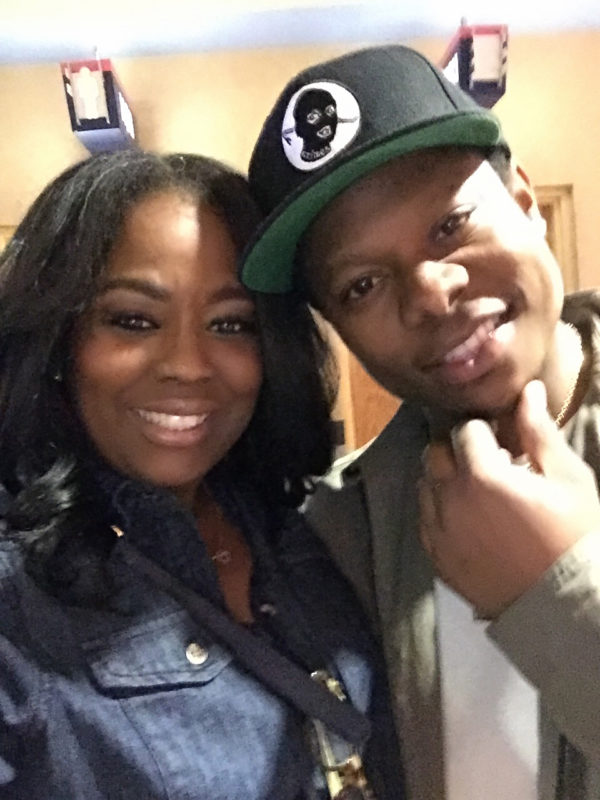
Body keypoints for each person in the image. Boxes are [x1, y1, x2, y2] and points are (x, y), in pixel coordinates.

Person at [241, 44, 600, 800]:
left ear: (526, 202)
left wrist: (559, 593)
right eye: (362, 284)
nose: (431, 295)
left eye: (450, 225)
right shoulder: (344, 528)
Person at [0, 149, 404, 799]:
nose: (188, 365)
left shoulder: (305, 532)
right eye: (134, 320)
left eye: (230, 324)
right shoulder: (17, 603)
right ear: (59, 340)